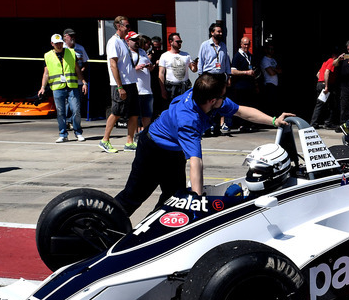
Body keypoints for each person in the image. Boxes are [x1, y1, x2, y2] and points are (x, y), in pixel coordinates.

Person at [113, 73, 295, 216]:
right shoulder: (188, 120)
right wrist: (198, 200)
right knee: (134, 197)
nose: (225, 99)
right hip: (153, 150)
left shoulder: (209, 99)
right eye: (222, 96)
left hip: (173, 151)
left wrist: (273, 121)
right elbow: (196, 162)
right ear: (212, 100)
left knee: (175, 199)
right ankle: (102, 227)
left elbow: (242, 112)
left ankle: (154, 235)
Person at [100, 16, 139, 154]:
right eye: (127, 26)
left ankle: (130, 142)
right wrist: (119, 86)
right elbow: (113, 64)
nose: (129, 28)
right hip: (121, 84)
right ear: (119, 26)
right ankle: (105, 140)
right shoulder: (113, 42)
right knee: (116, 112)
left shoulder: (123, 41)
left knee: (134, 113)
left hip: (131, 82)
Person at [38, 33, 87, 143]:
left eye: (60, 43)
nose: (59, 45)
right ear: (52, 44)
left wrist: (83, 82)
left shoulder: (71, 52)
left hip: (72, 86)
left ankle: (78, 132)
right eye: (56, 44)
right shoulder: (48, 55)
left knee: (76, 110)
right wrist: (42, 87)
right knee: (60, 112)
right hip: (57, 87)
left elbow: (77, 69)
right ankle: (63, 133)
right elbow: (46, 73)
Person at [230, 36, 258, 131]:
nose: (246, 46)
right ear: (241, 44)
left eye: (248, 44)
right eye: (245, 44)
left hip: (250, 86)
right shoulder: (237, 56)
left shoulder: (250, 56)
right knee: (241, 106)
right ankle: (241, 124)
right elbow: (233, 71)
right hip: (240, 86)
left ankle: (249, 123)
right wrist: (246, 72)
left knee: (250, 105)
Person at [159, 32, 197, 101]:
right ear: (171, 42)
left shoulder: (186, 55)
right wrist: (163, 90)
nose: (180, 43)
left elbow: (193, 70)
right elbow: (161, 74)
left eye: (180, 41)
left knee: (185, 106)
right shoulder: (164, 56)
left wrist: (195, 65)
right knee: (172, 106)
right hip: (171, 87)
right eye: (177, 41)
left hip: (185, 86)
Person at [310, 48, 338, 128]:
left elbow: (318, 74)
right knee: (329, 105)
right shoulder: (331, 61)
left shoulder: (324, 62)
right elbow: (327, 72)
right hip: (325, 86)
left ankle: (317, 122)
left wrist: (321, 81)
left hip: (320, 84)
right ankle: (321, 123)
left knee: (324, 104)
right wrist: (326, 86)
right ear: (334, 55)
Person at [134, 34, 155, 131]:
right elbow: (125, 70)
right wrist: (137, 68)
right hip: (138, 89)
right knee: (137, 116)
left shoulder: (143, 53)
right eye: (147, 44)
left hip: (147, 89)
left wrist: (150, 67)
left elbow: (149, 68)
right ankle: (137, 134)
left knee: (147, 115)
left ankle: (146, 134)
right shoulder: (131, 54)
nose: (149, 46)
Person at [260, 42, 281, 114]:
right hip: (269, 84)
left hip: (275, 84)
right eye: (270, 49)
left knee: (275, 103)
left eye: (272, 49)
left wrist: (273, 68)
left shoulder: (273, 60)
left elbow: (280, 70)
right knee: (269, 104)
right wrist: (275, 70)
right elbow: (271, 73)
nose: (271, 50)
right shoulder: (265, 60)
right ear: (266, 50)